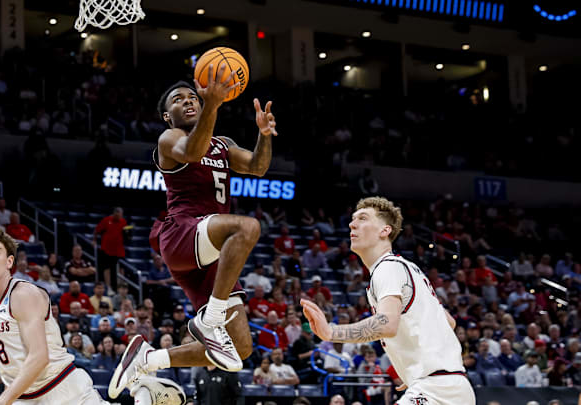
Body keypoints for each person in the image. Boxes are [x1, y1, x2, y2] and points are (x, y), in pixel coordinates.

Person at [109, 73, 277, 398]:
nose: (188, 101)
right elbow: (192, 150)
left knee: (240, 349)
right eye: (179, 100)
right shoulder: (168, 138)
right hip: (182, 234)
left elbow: (257, 167)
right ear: (166, 116)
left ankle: (148, 358)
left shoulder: (223, 144)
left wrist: (265, 134)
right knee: (247, 227)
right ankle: (210, 320)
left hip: (211, 255)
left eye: (192, 98)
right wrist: (212, 105)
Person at [0, 225, 184, 404]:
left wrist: (2, 401)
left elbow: (39, 357)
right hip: (24, 398)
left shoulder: (22, 293)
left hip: (61, 389)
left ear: (10, 262)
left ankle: (145, 394)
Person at [301, 197, 475, 405]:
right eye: (353, 219)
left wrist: (332, 332)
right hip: (451, 386)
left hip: (436, 389)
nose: (352, 224)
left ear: (385, 230)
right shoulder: (408, 268)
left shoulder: (387, 268)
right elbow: (448, 322)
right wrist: (409, 368)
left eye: (363, 219)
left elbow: (387, 324)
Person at [92, 207, 127, 291]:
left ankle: (121, 287)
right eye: (117, 215)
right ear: (114, 214)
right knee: (107, 268)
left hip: (119, 250)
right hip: (107, 249)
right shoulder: (106, 220)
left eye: (120, 215)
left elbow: (125, 233)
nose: (119, 217)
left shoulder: (123, 221)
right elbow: (97, 230)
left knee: (121, 268)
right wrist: (94, 240)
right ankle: (108, 287)